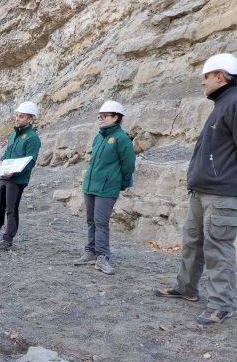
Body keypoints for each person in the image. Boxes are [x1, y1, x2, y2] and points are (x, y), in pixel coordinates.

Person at [155, 53, 237, 325]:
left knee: (217, 247)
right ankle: (186, 288)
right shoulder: (222, 104)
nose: (203, 82)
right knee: (192, 242)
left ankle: (221, 305)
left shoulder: (234, 102)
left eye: (206, 76)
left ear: (220, 76)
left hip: (222, 195)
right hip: (202, 192)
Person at [73, 101, 135, 275]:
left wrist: (119, 183)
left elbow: (128, 165)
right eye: (99, 116)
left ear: (116, 117)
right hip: (91, 186)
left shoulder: (122, 139)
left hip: (107, 188)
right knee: (91, 220)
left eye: (104, 116)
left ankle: (102, 256)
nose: (100, 119)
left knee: (101, 222)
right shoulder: (99, 136)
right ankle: (91, 251)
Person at [0, 101, 41, 250]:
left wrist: (15, 172)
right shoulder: (13, 134)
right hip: (4, 176)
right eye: (17, 115)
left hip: (17, 180)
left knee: (11, 209)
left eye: (21, 116)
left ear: (30, 119)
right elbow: (7, 153)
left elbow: (30, 162)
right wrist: (0, 161)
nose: (17, 118)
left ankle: (7, 240)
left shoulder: (33, 138)